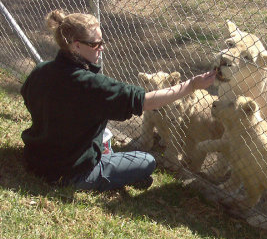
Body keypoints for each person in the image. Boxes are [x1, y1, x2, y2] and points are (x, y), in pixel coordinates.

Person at [20, 10, 216, 192]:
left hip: (35, 159)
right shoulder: (92, 85)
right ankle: (107, 178)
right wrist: (191, 85)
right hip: (72, 173)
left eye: (102, 41)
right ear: (76, 45)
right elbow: (145, 101)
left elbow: (28, 97)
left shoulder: (41, 70)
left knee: (104, 137)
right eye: (95, 44)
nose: (102, 48)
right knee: (146, 161)